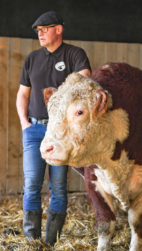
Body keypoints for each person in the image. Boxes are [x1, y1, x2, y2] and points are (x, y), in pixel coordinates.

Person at [16, 11, 91, 246]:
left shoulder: (74, 54)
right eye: (37, 30)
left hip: (60, 133)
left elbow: (85, 78)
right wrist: (24, 123)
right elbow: (22, 94)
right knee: (31, 184)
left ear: (58, 29)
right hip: (34, 129)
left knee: (58, 186)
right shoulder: (31, 58)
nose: (40, 33)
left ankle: (50, 242)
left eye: (44, 29)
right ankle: (32, 241)